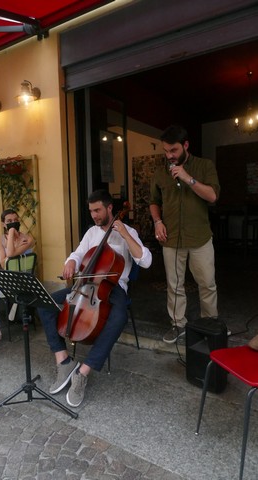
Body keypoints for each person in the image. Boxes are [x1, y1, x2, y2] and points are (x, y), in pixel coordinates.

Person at [38, 189, 152, 408]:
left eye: (98, 210)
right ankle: (63, 361)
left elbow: (146, 261)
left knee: (119, 318)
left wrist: (126, 235)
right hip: (86, 285)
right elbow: (79, 253)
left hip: (115, 287)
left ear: (110, 208)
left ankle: (83, 372)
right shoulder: (91, 232)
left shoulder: (127, 231)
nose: (94, 215)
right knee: (46, 304)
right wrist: (71, 260)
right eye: (91, 211)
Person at [149, 124, 220, 344]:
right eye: (166, 151)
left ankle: (210, 325)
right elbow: (154, 202)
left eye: (174, 150)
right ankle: (177, 324)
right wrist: (157, 221)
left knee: (207, 283)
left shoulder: (204, 165)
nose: (169, 156)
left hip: (199, 237)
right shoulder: (161, 172)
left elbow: (212, 196)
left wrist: (188, 177)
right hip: (171, 238)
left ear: (186, 145)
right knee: (174, 285)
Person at [0, 208, 35, 344]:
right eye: (9, 221)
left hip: (24, 282)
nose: (13, 223)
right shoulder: (1, 239)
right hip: (9, 281)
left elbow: (10, 255)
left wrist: (12, 233)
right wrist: (13, 242)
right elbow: (4, 264)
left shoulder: (28, 239)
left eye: (15, 220)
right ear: (3, 224)